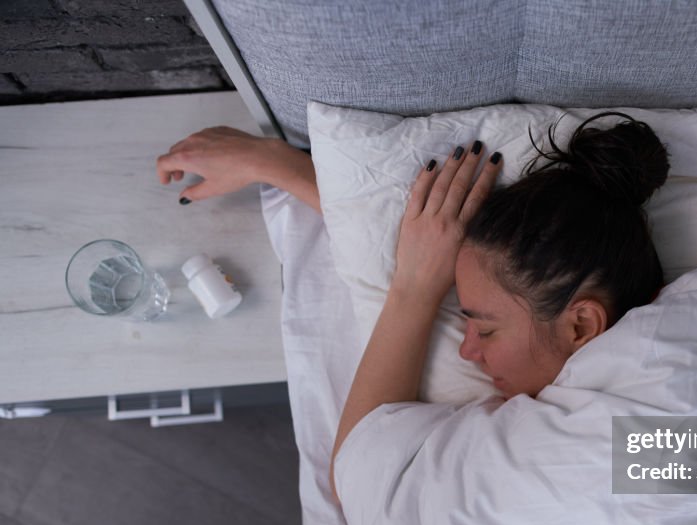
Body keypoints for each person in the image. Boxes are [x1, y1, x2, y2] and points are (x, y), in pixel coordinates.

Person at [157, 112, 669, 502]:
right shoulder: (654, 439)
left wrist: (414, 291)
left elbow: (367, 481)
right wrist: (272, 163)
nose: (467, 352)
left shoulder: (602, 443)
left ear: (580, 323)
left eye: (485, 330)